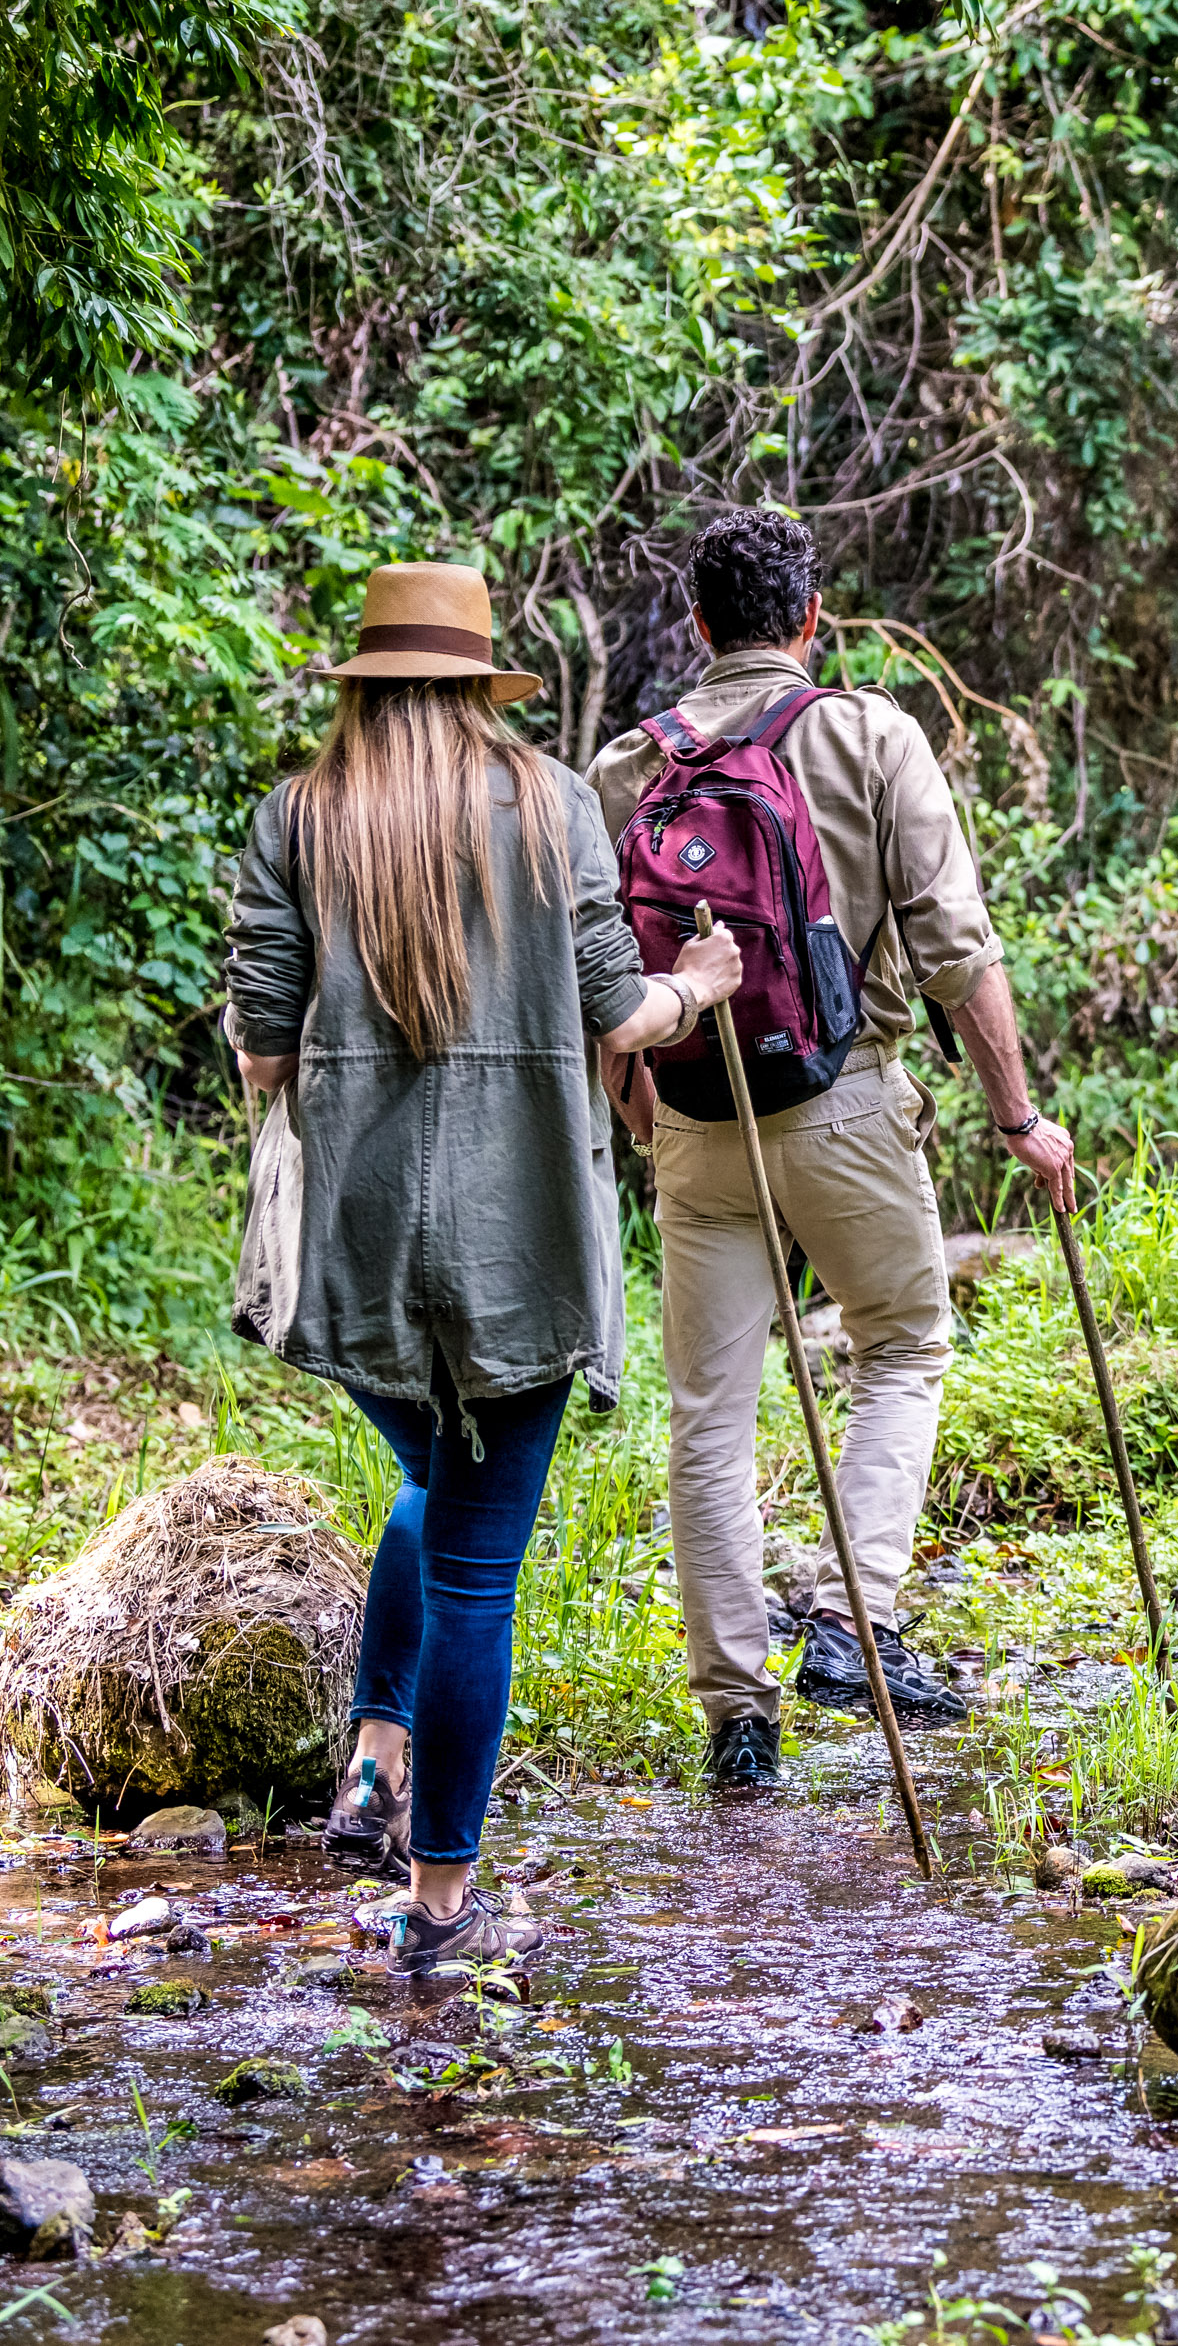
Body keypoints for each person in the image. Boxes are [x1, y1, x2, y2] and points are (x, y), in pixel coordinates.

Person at [228, 561, 745, 1973]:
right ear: (475, 684)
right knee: (474, 1564)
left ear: (365, 684)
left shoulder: (298, 815)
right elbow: (618, 1012)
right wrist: (700, 984)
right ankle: (442, 1903)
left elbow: (263, 1053)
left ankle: (375, 1755)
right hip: (523, 1240)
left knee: (437, 1484)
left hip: (357, 1252)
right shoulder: (550, 802)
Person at [589, 508, 1078, 1789]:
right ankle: (855, 1625)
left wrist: (636, 1107)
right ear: (812, 619)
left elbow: (599, 982)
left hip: (694, 1116)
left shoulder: (627, 767)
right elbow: (955, 950)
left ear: (699, 624)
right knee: (902, 1346)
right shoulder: (871, 736)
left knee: (710, 1416)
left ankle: (737, 1720)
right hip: (848, 1102)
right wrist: (1018, 1120)